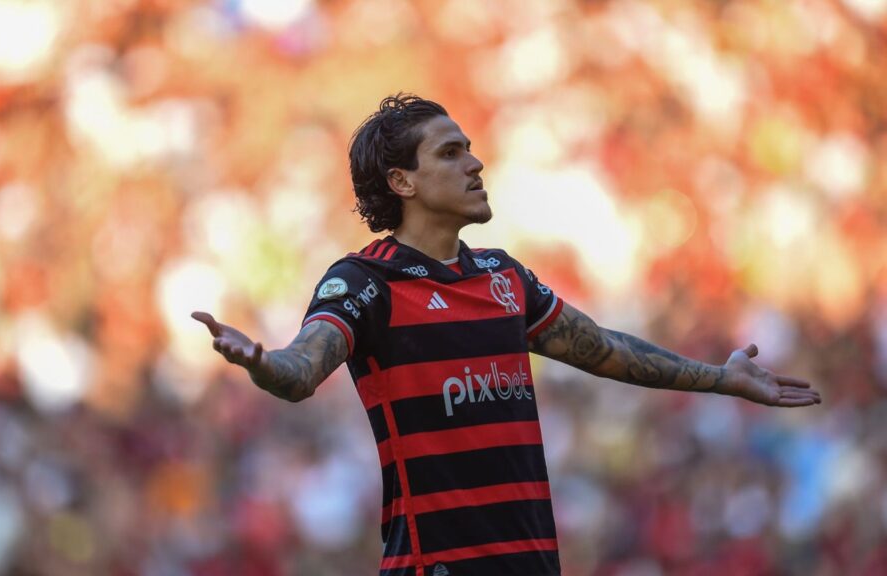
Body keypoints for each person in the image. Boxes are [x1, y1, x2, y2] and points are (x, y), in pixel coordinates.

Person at [191, 94, 821, 576]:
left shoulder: (503, 276)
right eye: (449, 153)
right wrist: (261, 363)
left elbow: (603, 349)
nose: (475, 161)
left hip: (533, 559)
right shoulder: (365, 281)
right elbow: (302, 370)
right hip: (436, 564)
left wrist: (720, 378)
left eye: (468, 147)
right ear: (402, 183)